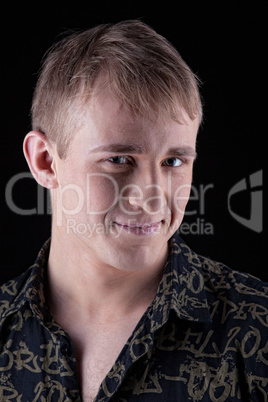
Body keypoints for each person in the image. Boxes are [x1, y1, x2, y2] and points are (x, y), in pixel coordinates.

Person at [0, 20, 267, 402]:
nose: (153, 197)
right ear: (45, 161)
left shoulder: (256, 331)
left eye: (174, 162)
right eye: (120, 159)